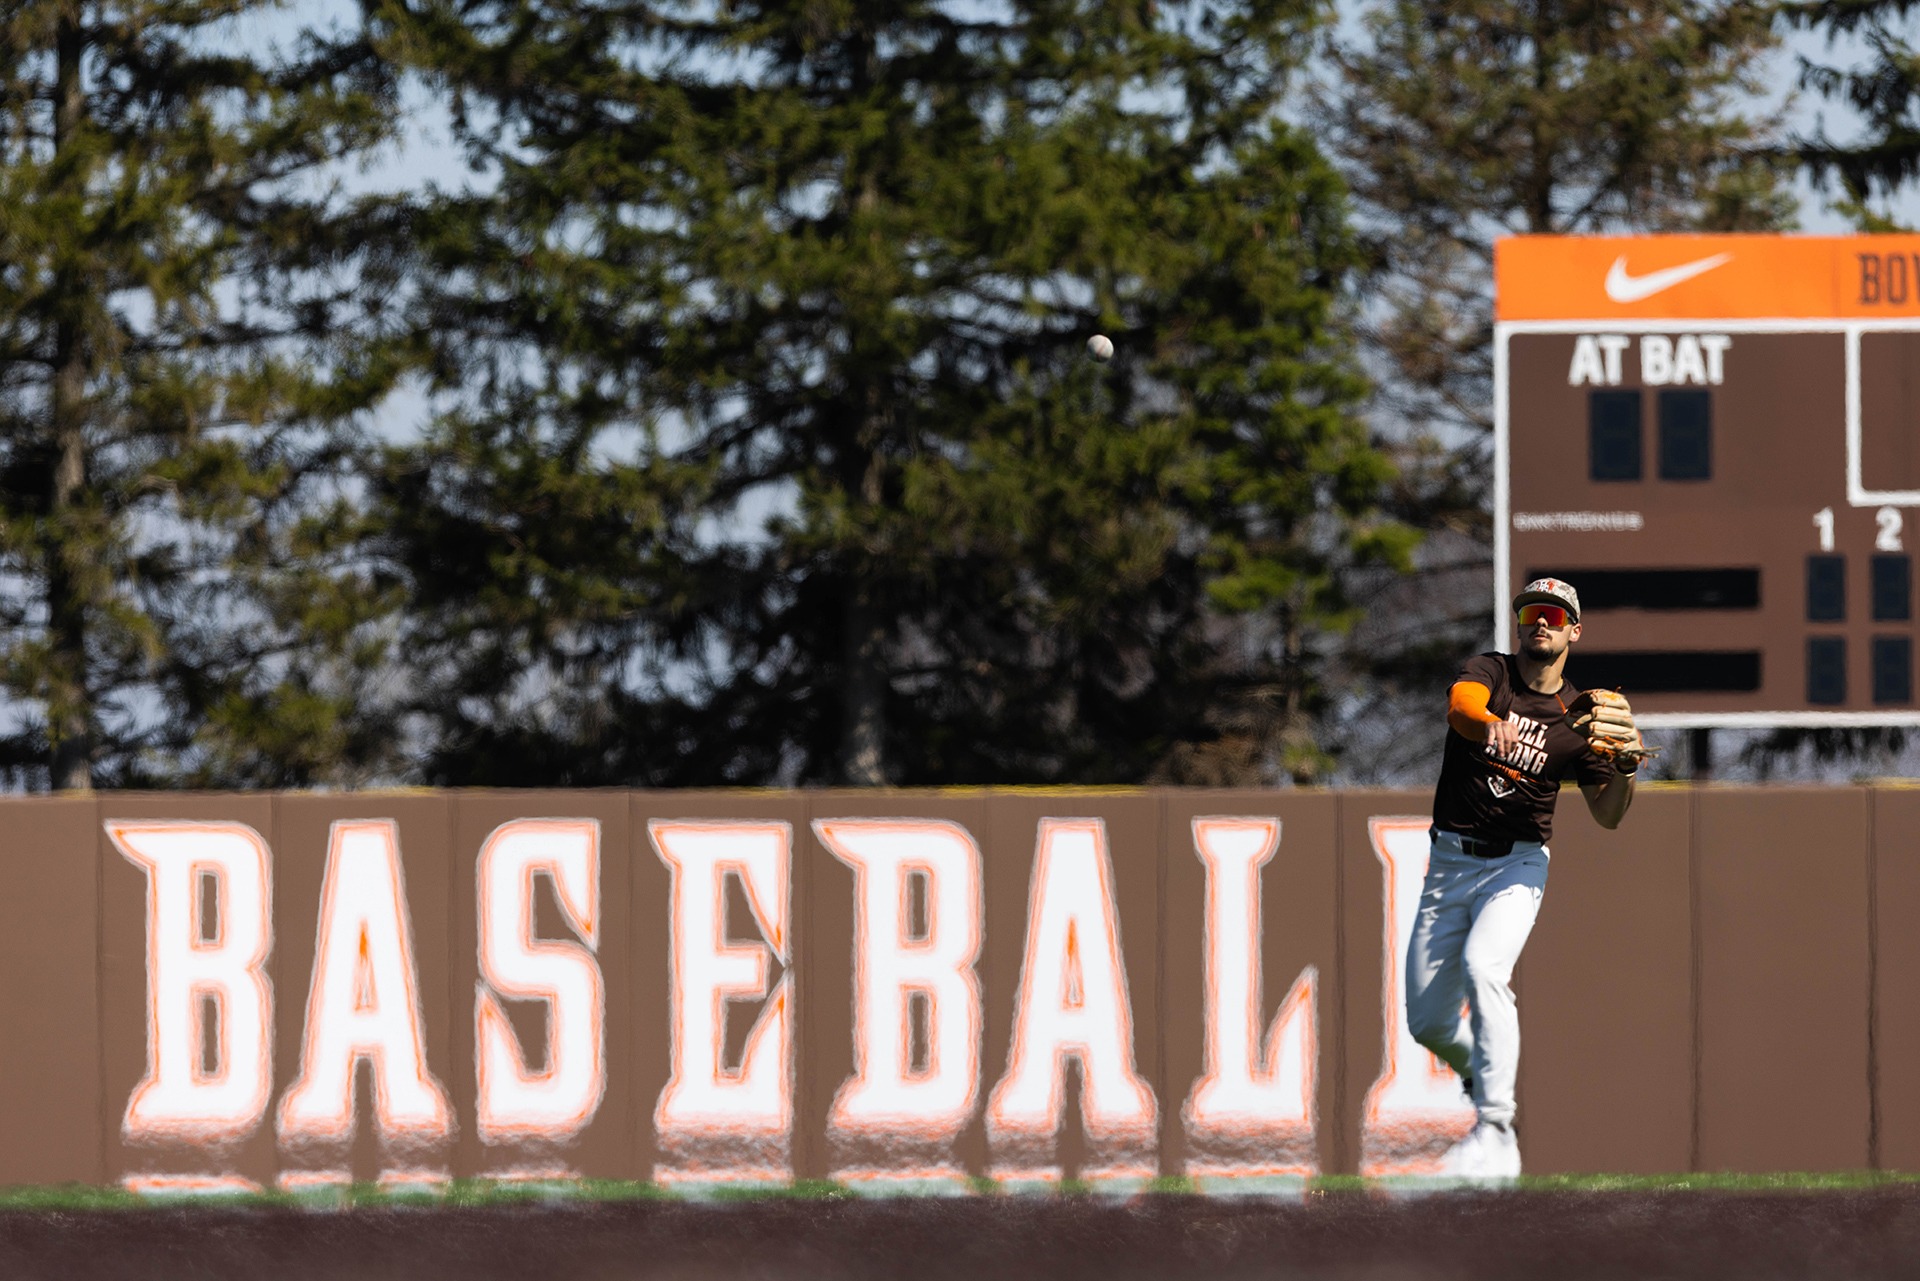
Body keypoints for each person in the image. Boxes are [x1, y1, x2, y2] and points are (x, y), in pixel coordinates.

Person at [1409, 576, 1641, 1179]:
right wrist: (1488, 723)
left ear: (1574, 631)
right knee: (1427, 1022)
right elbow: (1460, 708)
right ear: (1520, 624)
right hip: (1451, 862)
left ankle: (1496, 1129)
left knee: (1487, 969)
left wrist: (1626, 771)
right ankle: (1477, 1071)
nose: (1542, 621)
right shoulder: (1493, 673)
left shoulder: (1581, 717)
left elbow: (1609, 815)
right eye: (1533, 612)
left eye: (1555, 615)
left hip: (1517, 864)